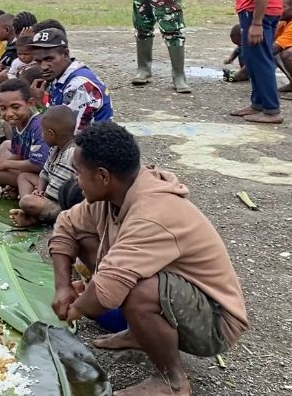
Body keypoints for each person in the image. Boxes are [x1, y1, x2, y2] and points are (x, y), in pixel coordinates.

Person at [49, 122, 248, 396]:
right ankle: (140, 333)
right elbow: (66, 225)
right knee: (93, 246)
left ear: (103, 176)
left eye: (78, 173)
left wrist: (77, 307)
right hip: (182, 298)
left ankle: (172, 383)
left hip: (215, 323)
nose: (76, 181)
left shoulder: (152, 214)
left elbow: (107, 290)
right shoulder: (112, 197)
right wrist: (62, 286)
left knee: (138, 290)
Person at [8, 105, 80, 228]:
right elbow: (44, 173)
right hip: (49, 192)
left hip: (62, 203)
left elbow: (57, 191)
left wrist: (41, 196)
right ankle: (31, 213)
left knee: (27, 201)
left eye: (43, 132)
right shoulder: (55, 148)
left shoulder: (70, 155)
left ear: (51, 134)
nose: (41, 135)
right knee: (24, 177)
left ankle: (34, 217)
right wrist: (39, 189)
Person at [29, 28, 113, 131]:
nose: (43, 67)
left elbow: (67, 133)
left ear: (66, 54)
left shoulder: (80, 85)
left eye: (49, 59)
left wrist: (39, 103)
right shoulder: (59, 76)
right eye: (38, 61)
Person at [0, 79, 48, 192]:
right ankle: (15, 186)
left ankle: (22, 188)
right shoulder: (17, 123)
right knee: (5, 145)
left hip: (43, 177)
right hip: (28, 165)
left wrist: (4, 164)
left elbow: (39, 164)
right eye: (3, 108)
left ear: (30, 103)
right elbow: (18, 154)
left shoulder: (39, 127)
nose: (9, 114)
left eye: (15, 107)